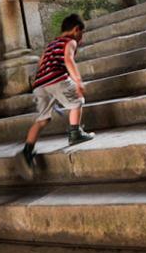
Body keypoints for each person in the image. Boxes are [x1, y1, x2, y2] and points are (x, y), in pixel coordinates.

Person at [15, 13, 94, 180]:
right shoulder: (70, 42)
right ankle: (75, 133)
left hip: (39, 84)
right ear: (76, 29)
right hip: (56, 78)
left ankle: (27, 151)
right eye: (82, 33)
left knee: (42, 119)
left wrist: (50, 92)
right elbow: (68, 60)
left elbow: (41, 62)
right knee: (77, 101)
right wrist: (78, 81)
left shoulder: (51, 44)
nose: (81, 37)